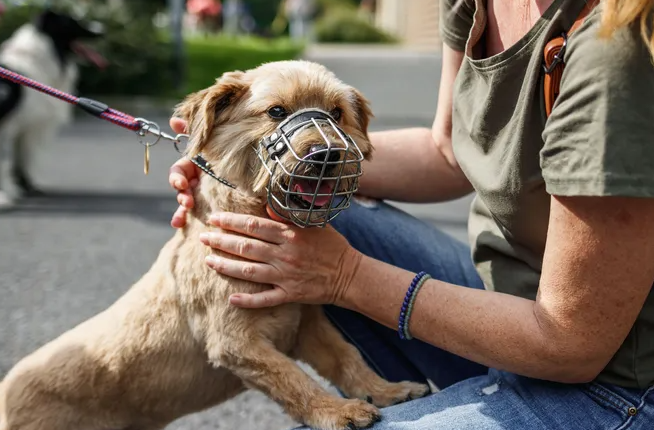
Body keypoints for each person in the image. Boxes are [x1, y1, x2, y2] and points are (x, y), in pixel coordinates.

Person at [167, 0, 654, 428]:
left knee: (313, 247)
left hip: (612, 385)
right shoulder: (475, 3)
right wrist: (246, 163)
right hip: (506, 301)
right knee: (295, 214)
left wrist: (345, 275)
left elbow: (570, 345)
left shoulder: (613, 55)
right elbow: (447, 152)